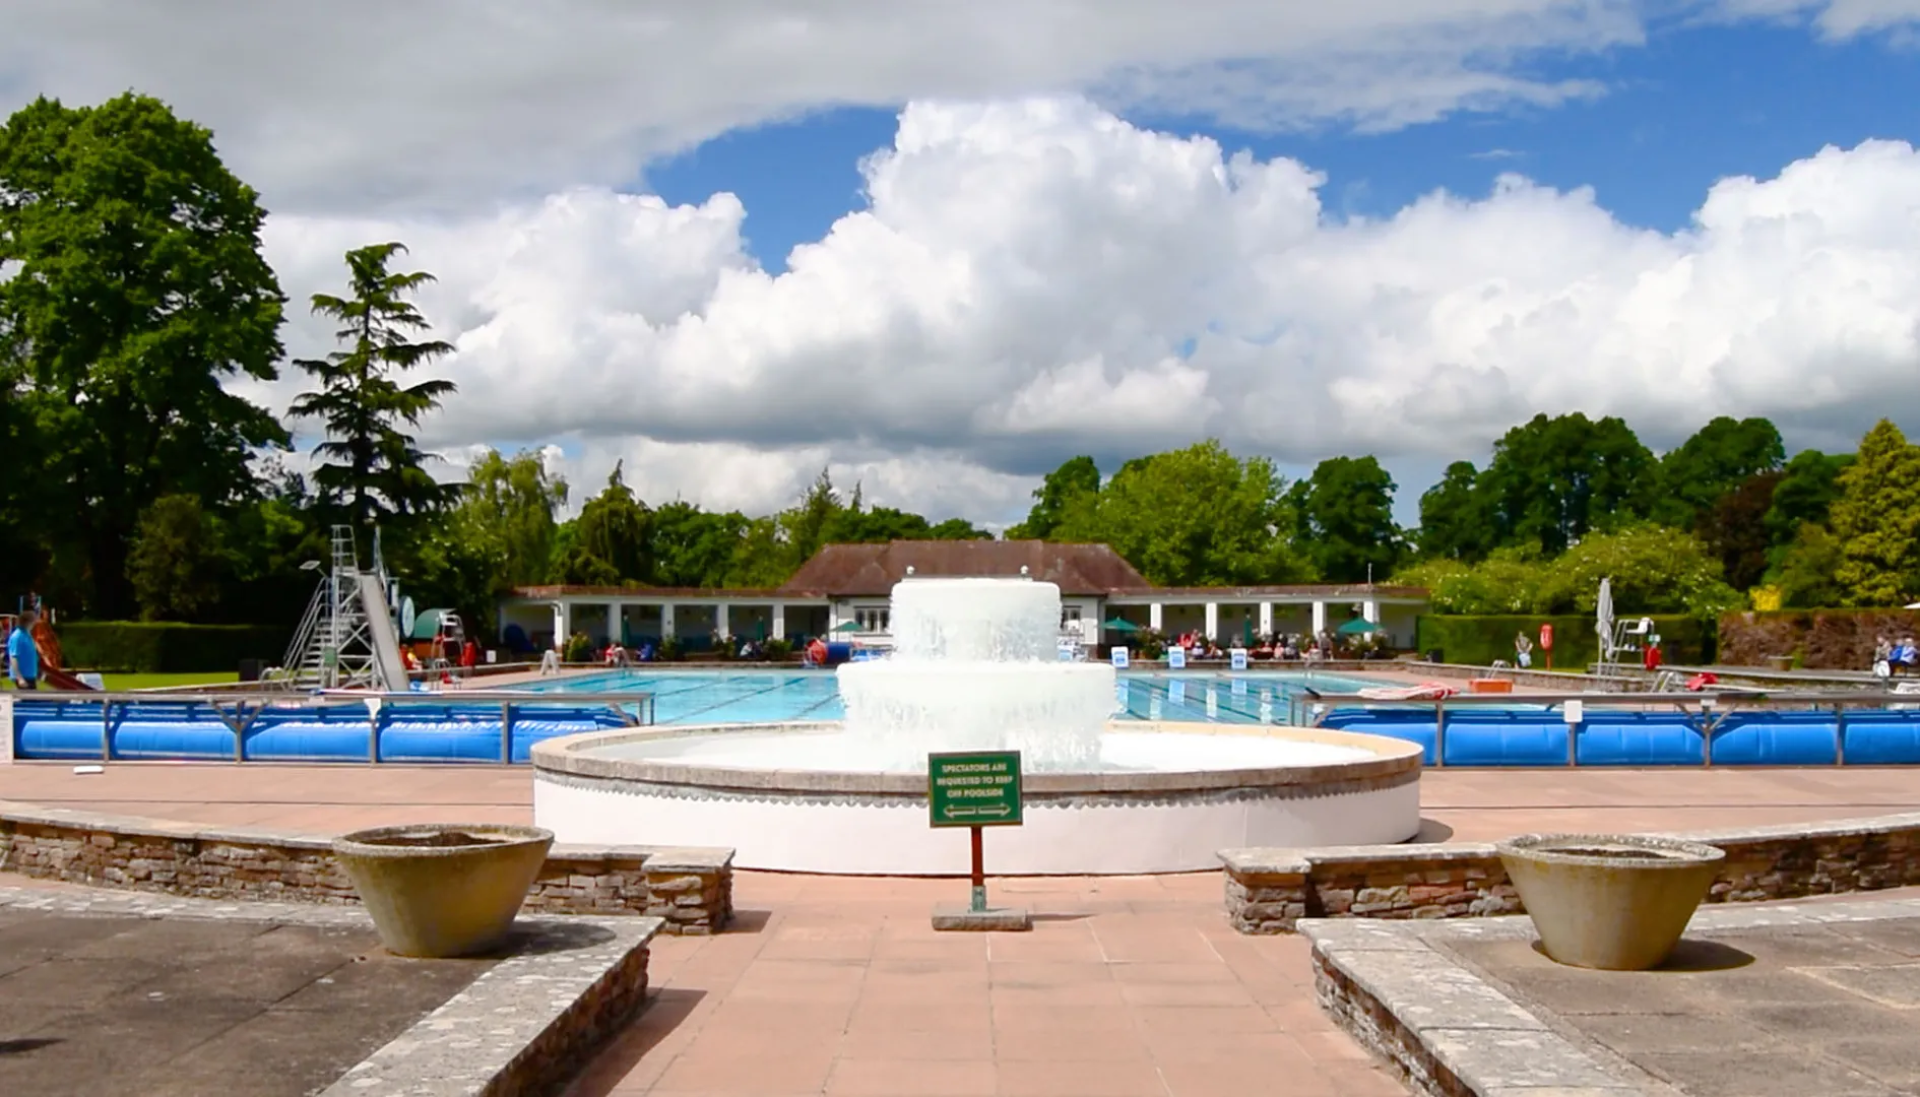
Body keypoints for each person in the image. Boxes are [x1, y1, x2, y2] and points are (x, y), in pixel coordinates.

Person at [8, 610, 40, 690]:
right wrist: (19, 678)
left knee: (32, 700)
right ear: (27, 622)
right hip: (23, 676)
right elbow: (13, 658)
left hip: (29, 675)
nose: (34, 624)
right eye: (33, 622)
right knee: (29, 701)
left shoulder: (27, 635)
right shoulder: (17, 636)